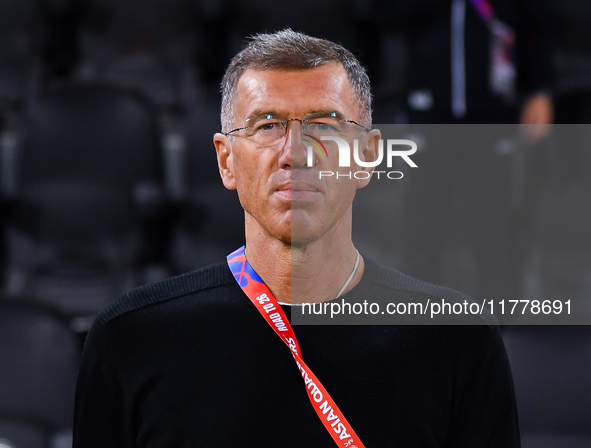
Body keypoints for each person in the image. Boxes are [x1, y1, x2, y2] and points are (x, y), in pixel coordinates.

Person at [73, 30, 520, 447]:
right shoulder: (130, 340)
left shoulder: (457, 339)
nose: (296, 152)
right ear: (226, 161)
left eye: (325, 124)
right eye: (267, 125)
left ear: (367, 157)